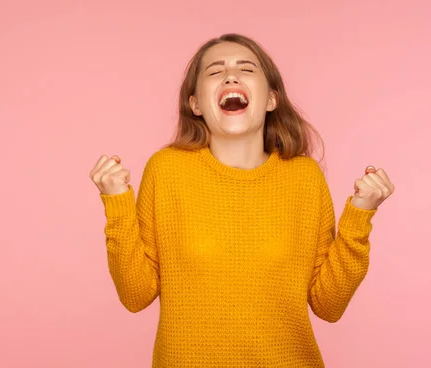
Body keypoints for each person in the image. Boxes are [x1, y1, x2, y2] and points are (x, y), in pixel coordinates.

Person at [89, 33, 395, 367]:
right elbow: (136, 295)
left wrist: (361, 214)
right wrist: (116, 201)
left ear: (271, 100)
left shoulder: (304, 177)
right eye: (214, 71)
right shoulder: (166, 171)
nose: (231, 76)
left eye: (246, 69)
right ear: (195, 104)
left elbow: (328, 305)